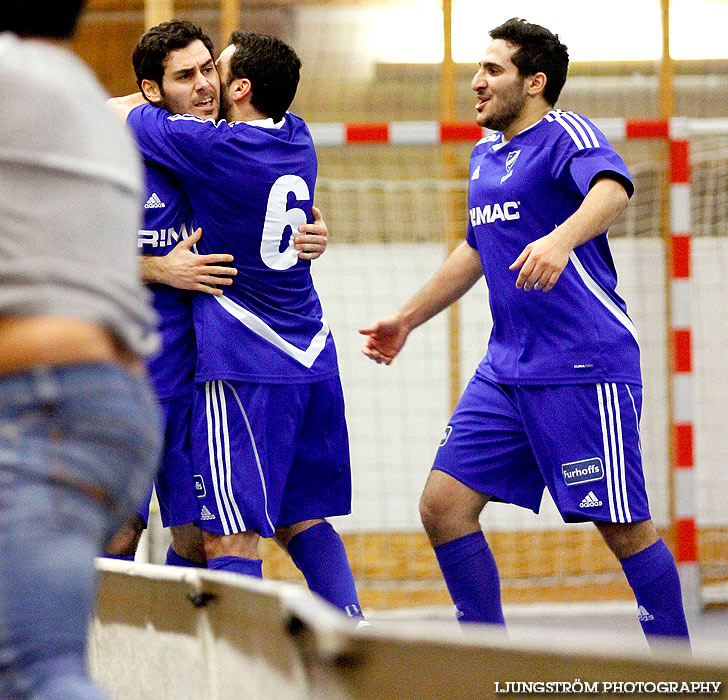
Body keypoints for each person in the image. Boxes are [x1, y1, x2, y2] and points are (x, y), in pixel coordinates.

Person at [360, 17, 689, 647]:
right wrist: (406, 318)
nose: (476, 82)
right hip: (506, 370)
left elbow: (615, 188)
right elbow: (475, 249)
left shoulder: (565, 132)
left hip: (581, 366)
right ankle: (486, 665)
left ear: (533, 82)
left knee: (622, 529)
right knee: (443, 507)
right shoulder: (486, 156)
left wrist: (561, 240)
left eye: (492, 69)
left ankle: (678, 671)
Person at [110, 31, 365, 623]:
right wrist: (156, 267)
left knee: (210, 537)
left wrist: (313, 233)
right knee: (119, 536)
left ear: (237, 88)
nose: (204, 86)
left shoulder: (206, 148)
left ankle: (181, 654)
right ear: (152, 90)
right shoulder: (287, 136)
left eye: (210, 71)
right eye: (187, 76)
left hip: (217, 373)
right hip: (131, 376)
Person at [0, 2, 162, 698]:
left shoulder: (13, 78)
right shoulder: (90, 106)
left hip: (43, 409)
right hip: (99, 409)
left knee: (38, 674)